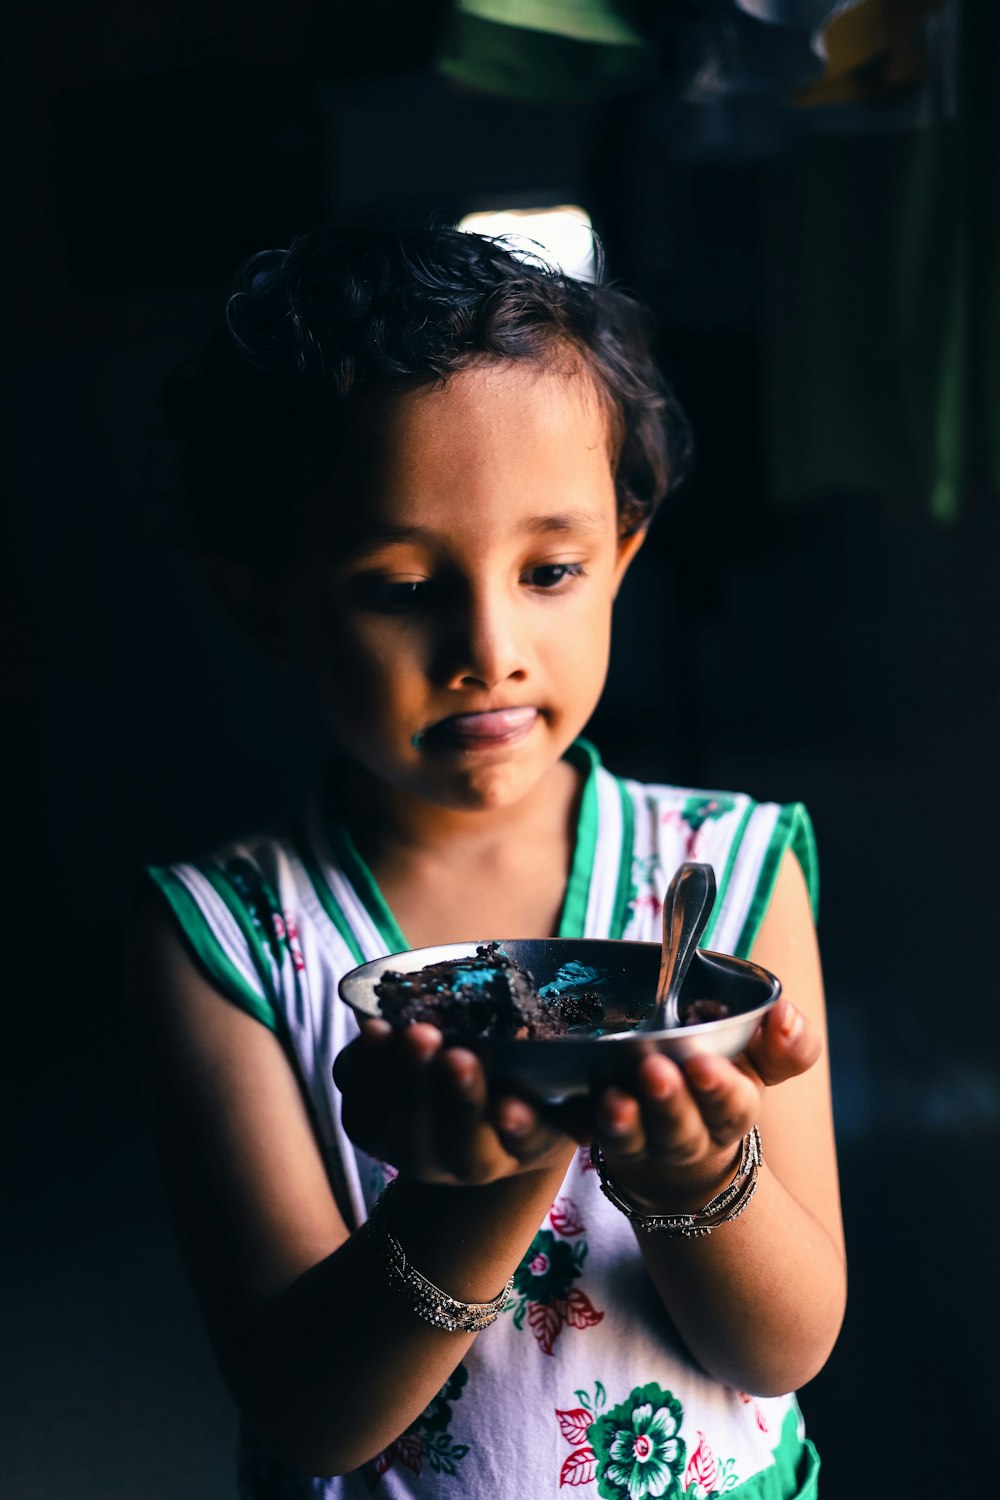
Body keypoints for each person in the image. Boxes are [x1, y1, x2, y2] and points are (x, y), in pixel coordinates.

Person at [130, 225, 845, 1500]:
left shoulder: (728, 874)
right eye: (402, 586)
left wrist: (694, 1177)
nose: (488, 644)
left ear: (621, 561)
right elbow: (308, 1414)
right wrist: (479, 1186)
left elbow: (784, 1345)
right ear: (264, 603)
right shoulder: (227, 937)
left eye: (551, 571)